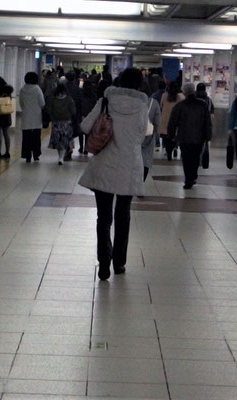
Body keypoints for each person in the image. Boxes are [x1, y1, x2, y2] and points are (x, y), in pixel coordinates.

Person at [78, 68, 148, 281]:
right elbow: (142, 135)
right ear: (139, 84)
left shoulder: (105, 102)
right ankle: (119, 262)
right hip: (129, 166)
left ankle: (104, 262)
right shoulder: (143, 106)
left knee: (104, 217)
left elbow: (85, 125)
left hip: (104, 166)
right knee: (123, 215)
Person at [167, 82, 212, 189]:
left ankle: (188, 179)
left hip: (184, 137)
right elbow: (207, 122)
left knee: (186, 159)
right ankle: (193, 176)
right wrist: (208, 136)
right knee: (196, 157)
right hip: (199, 137)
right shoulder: (203, 105)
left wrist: (171, 135)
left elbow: (173, 122)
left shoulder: (179, 106)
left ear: (184, 92)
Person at [45, 84, 76, 165]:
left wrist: (51, 116)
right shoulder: (69, 99)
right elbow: (73, 111)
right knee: (65, 139)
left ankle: (60, 157)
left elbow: (48, 109)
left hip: (56, 122)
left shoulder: (52, 99)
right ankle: (61, 157)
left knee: (57, 139)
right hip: (67, 122)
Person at [19, 72, 45, 163]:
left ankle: (27, 156)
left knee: (26, 138)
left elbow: (21, 103)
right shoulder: (37, 89)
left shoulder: (22, 90)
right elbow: (42, 103)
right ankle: (36, 155)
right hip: (36, 116)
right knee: (36, 137)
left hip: (26, 116)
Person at [158, 81, 184, 161]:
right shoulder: (179, 97)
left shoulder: (164, 95)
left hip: (165, 118)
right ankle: (175, 148)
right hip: (175, 119)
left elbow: (161, 105)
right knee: (174, 135)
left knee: (166, 137)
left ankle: (168, 151)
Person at [141, 89, 161, 181]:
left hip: (133, 134)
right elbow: (157, 122)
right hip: (148, 135)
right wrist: (157, 137)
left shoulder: (133, 102)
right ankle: (141, 182)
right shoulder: (154, 103)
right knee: (145, 160)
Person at [64, 71, 83, 161]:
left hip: (64, 114)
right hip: (74, 114)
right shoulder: (78, 89)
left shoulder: (63, 88)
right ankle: (70, 149)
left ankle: (65, 149)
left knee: (65, 133)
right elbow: (79, 103)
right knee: (71, 133)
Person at [80, 80, 97, 155]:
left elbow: (78, 104)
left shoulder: (81, 93)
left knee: (81, 132)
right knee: (88, 132)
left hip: (82, 114)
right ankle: (86, 148)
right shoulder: (93, 94)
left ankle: (81, 147)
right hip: (90, 114)